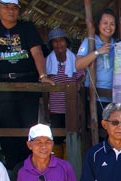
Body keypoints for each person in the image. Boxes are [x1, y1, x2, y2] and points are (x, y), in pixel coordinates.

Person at [0, 0, 55, 169]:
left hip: (27, 83)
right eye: (6, 6)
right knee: (7, 126)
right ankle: (12, 169)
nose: (10, 11)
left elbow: (36, 52)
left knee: (29, 128)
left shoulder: (27, 27)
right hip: (3, 83)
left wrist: (43, 75)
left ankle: (30, 168)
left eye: (14, 7)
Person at [45, 28, 84, 156]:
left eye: (61, 40)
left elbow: (82, 76)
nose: (58, 44)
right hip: (56, 108)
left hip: (72, 107)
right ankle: (58, 164)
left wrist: (77, 84)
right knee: (56, 138)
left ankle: (71, 164)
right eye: (55, 42)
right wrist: (46, 109)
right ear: (51, 45)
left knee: (72, 137)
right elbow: (44, 86)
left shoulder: (75, 59)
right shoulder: (47, 61)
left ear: (66, 42)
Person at [76, 8, 118, 124]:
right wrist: (97, 52)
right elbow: (78, 65)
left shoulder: (118, 44)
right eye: (105, 23)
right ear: (98, 24)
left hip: (115, 98)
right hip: (94, 97)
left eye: (112, 24)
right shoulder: (90, 42)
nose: (108, 27)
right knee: (98, 130)